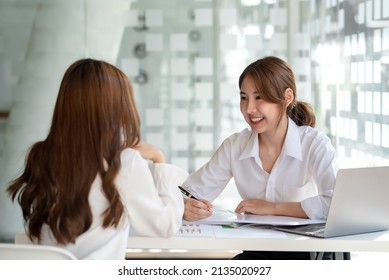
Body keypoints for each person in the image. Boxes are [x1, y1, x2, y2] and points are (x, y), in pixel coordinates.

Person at [7, 58, 186, 260]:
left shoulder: (41, 155)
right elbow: (164, 226)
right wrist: (159, 159)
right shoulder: (124, 162)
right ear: (117, 110)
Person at [181, 56, 338, 260]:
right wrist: (185, 206)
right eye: (244, 97)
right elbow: (189, 193)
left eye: (259, 97)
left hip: (307, 254)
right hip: (257, 253)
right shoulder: (235, 146)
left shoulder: (314, 143)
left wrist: (272, 208)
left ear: (287, 97)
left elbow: (336, 204)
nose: (249, 109)